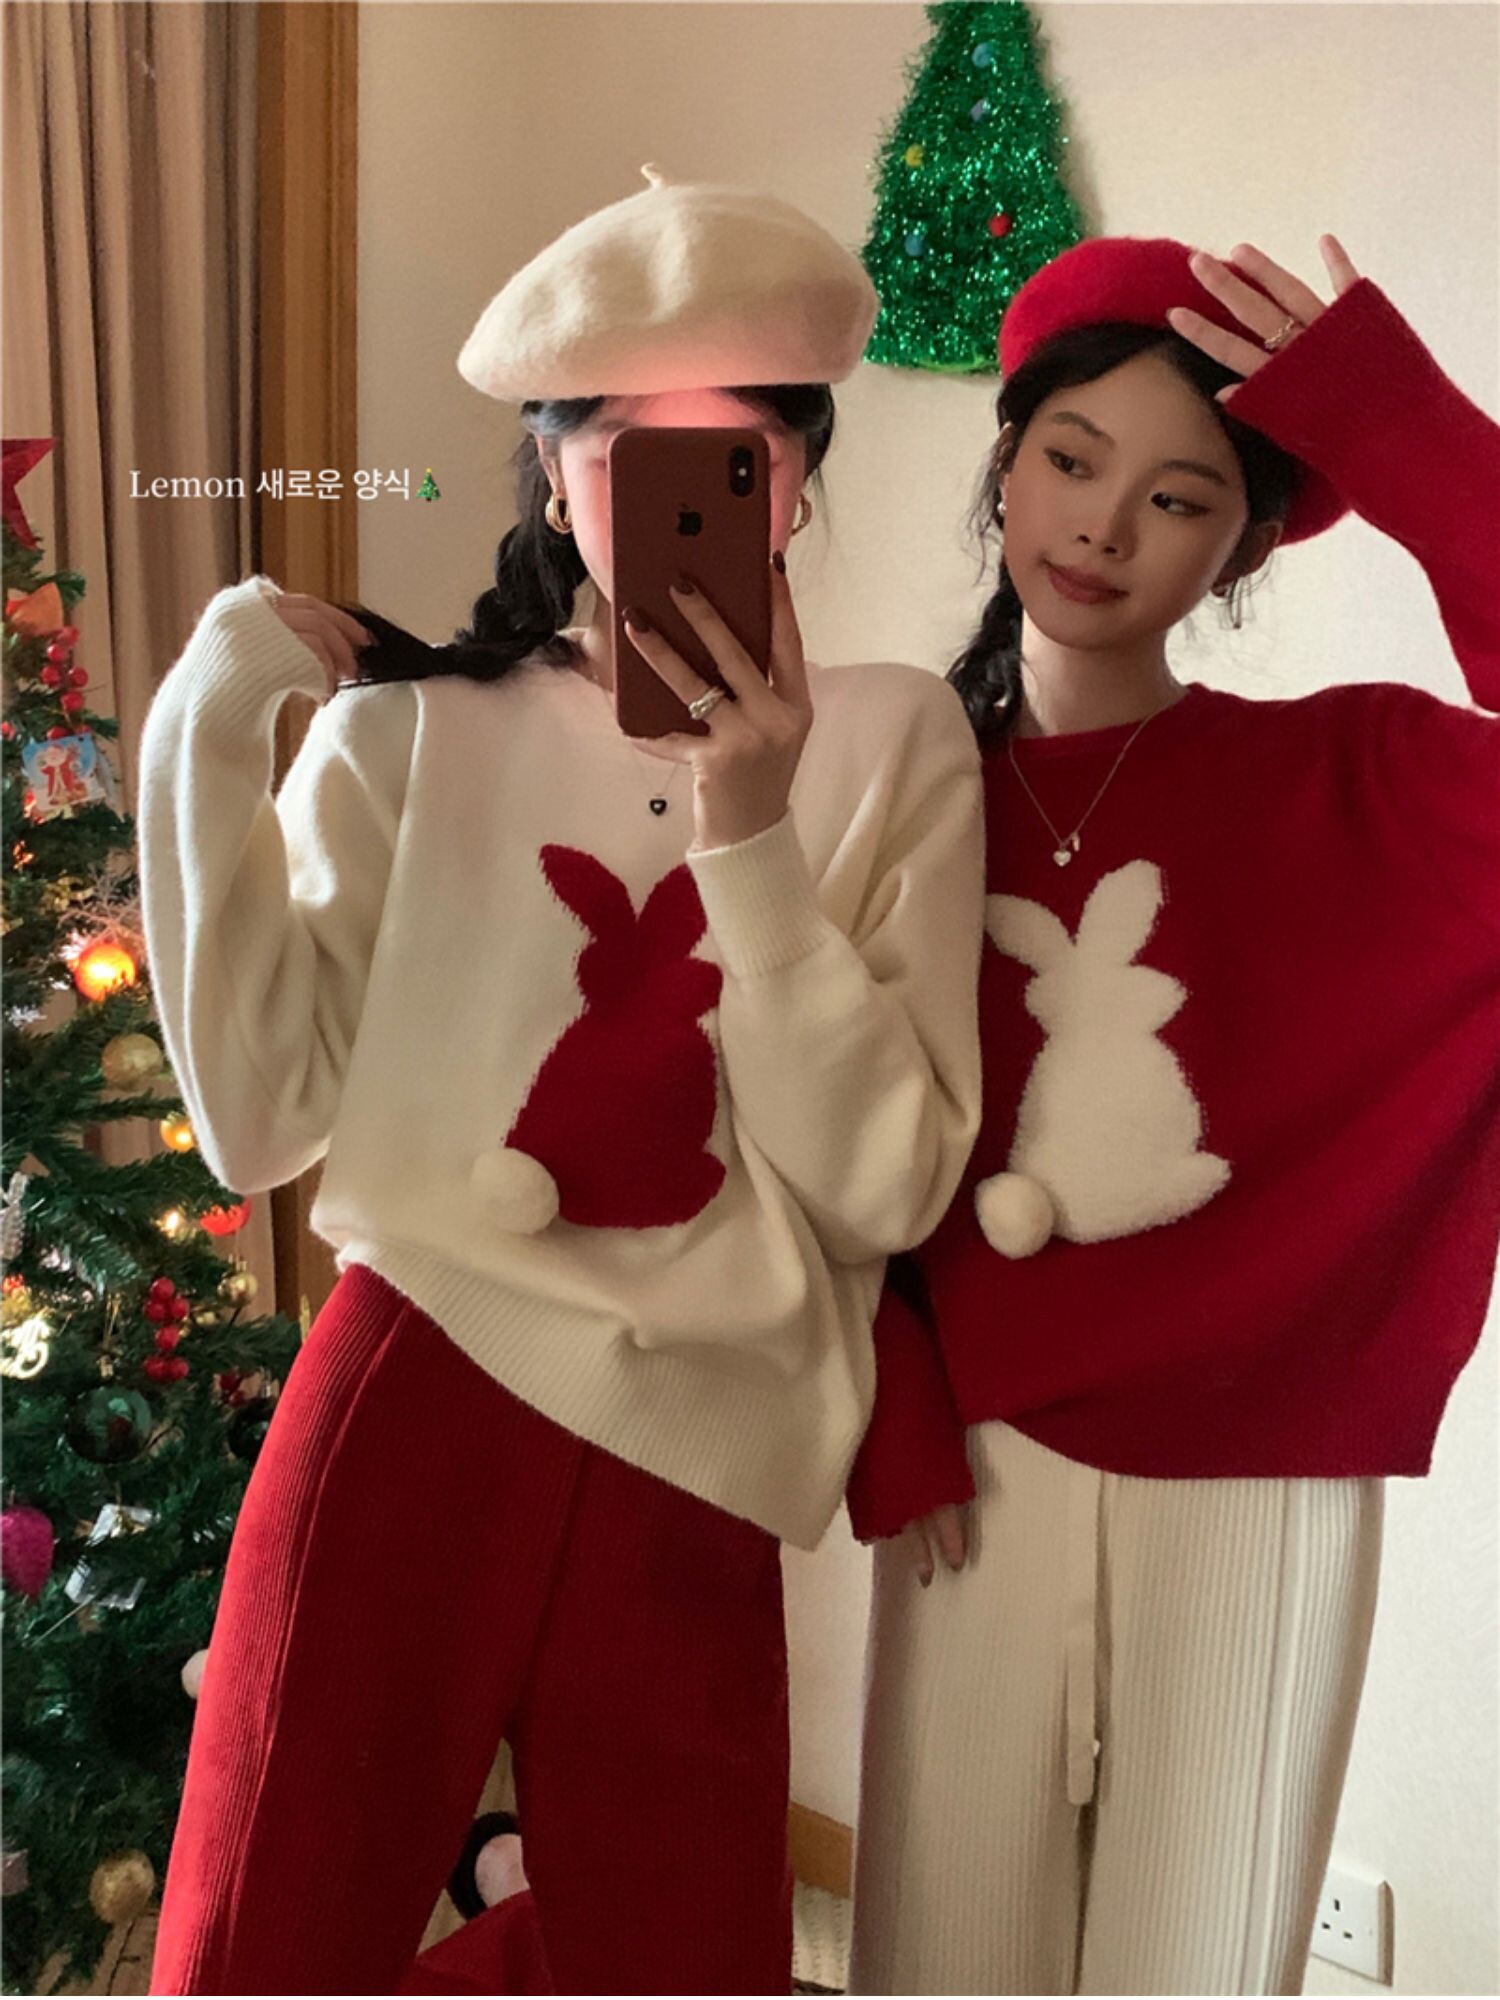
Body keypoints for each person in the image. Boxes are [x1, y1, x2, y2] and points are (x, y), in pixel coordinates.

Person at [139, 167, 985, 1997]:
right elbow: (257, 1121)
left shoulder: (896, 740)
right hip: (416, 1380)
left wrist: (752, 833)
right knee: (262, 1936)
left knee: (687, 1961)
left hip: (704, 1435)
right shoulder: (409, 733)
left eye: (740, 457)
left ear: (800, 480)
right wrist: (210, 717)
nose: (688, 500)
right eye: (628, 455)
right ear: (552, 474)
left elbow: (885, 1189)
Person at [845, 233, 1500, 1995]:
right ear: (1005, 464)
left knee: (1204, 1970)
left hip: (1271, 1480)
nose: (1103, 527)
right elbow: (793, 1104)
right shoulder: (887, 788)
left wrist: (1401, 427)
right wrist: (888, 1391)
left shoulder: (1351, 780)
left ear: (1243, 549)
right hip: (972, 1461)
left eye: (1181, 497)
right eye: (1071, 461)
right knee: (938, 1963)